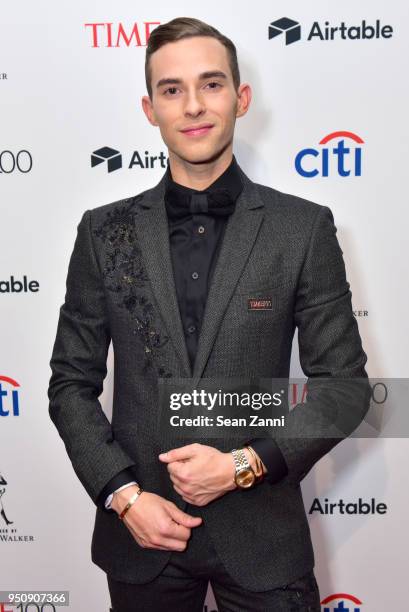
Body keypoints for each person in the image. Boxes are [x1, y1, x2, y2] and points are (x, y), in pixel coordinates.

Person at [48, 17, 370, 612]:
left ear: (241, 98)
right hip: (143, 535)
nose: (193, 106)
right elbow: (70, 383)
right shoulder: (104, 232)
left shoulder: (302, 228)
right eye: (172, 90)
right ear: (149, 109)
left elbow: (346, 390)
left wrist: (244, 465)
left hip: (263, 538)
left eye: (212, 84)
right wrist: (122, 494)